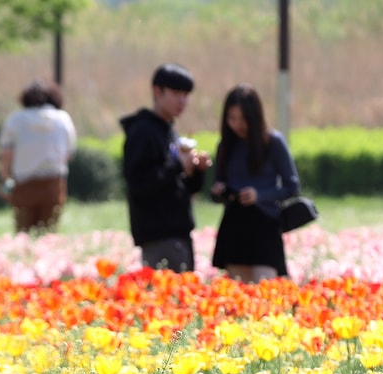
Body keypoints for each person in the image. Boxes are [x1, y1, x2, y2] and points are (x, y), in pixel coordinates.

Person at [120, 64, 211, 273]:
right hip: (158, 235)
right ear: (157, 91)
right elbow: (139, 182)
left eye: (186, 95)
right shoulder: (143, 131)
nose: (182, 101)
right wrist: (178, 164)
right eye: (176, 93)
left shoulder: (169, 131)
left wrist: (196, 170)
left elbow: (184, 186)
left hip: (178, 232)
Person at [208, 85, 299, 283]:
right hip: (234, 223)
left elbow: (292, 186)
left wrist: (260, 195)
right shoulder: (225, 146)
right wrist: (219, 191)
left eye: (243, 119)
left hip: (264, 223)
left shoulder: (273, 142)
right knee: (239, 294)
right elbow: (217, 188)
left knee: (265, 287)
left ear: (255, 116)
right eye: (232, 119)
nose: (237, 125)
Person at [0, 80, 77, 235]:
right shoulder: (63, 119)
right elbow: (69, 154)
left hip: (23, 184)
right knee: (48, 236)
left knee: (23, 235)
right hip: (53, 183)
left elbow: (6, 154)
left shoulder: (15, 119)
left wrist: (6, 182)